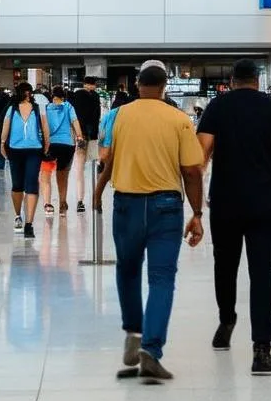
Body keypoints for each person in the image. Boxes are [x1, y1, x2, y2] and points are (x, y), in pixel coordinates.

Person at [94, 61, 204, 381]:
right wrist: (196, 214)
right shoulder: (179, 119)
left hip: (126, 204)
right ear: (164, 87)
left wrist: (98, 192)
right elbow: (192, 171)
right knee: (161, 278)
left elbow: (109, 158)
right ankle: (151, 350)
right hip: (165, 207)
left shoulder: (120, 115)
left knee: (127, 270)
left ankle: (133, 333)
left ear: (136, 84)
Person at [196, 58, 271, 374]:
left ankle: (226, 320)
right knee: (261, 274)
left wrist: (195, 203)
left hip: (226, 202)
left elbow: (200, 154)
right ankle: (261, 350)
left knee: (225, 265)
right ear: (257, 80)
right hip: (264, 203)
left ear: (232, 81)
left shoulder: (216, 108)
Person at [0, 82, 50, 239]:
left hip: (34, 150)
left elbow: (45, 126)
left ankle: (29, 223)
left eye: (29, 92)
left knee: (31, 184)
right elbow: (5, 126)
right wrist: (2, 143)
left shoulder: (37, 108)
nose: (28, 94)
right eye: (25, 92)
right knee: (17, 185)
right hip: (15, 149)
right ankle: (17, 215)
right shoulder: (12, 109)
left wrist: (47, 143)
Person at [41, 85, 83, 216]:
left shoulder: (47, 108)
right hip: (67, 145)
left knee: (46, 175)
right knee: (62, 176)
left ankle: (48, 204)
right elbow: (75, 122)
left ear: (52, 96)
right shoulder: (68, 106)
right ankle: (62, 204)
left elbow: (43, 126)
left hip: (50, 145)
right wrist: (79, 136)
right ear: (63, 96)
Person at [72, 77, 102, 213]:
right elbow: (97, 116)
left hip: (81, 136)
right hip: (93, 135)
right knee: (95, 165)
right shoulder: (95, 97)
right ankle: (97, 198)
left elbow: (74, 117)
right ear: (93, 85)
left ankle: (80, 200)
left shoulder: (77, 95)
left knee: (79, 167)